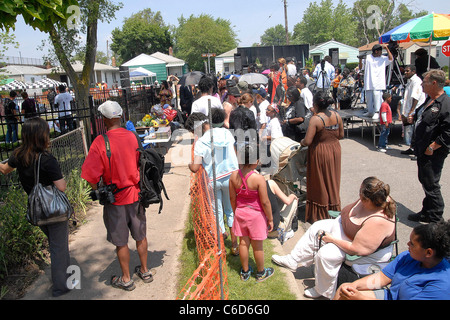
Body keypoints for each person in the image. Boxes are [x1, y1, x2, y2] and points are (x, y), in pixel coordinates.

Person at [272, 176, 397, 299]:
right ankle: (293, 260)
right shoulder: (377, 196)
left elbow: (356, 249)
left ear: (367, 200)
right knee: (317, 226)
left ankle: (323, 291)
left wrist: (332, 239)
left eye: (360, 194)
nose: (358, 195)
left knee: (326, 255)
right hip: (344, 231)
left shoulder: (378, 221)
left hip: (355, 249)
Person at [81, 101, 152, 291]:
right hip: (136, 195)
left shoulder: (100, 142)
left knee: (121, 241)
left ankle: (126, 278)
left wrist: (99, 188)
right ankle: (145, 271)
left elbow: (89, 175)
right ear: (120, 116)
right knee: (140, 235)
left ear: (103, 120)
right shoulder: (133, 137)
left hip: (116, 199)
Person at [0, 117, 71, 297]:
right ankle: (61, 286)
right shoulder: (47, 159)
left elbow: (4, 169)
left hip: (36, 210)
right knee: (59, 247)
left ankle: (65, 275)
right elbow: (61, 186)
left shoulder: (18, 156)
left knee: (55, 244)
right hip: (54, 210)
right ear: (42, 136)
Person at [334, 220, 450, 300]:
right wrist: (354, 286)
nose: (407, 244)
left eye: (413, 244)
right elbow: (383, 278)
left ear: (428, 252)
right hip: (389, 296)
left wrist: (361, 298)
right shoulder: (408, 257)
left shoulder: (442, 285)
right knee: (343, 290)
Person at [189, 108, 239, 255]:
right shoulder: (228, 134)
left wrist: (190, 165)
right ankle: (235, 245)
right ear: (223, 119)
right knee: (230, 210)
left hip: (213, 180)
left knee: (216, 210)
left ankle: (220, 243)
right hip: (231, 177)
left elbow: (195, 167)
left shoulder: (202, 140)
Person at [408, 69, 450, 224]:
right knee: (425, 180)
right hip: (422, 149)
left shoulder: (445, 103)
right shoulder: (429, 99)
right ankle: (427, 212)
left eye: (424, 81)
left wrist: (433, 146)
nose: (422, 84)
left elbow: (448, 131)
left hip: (433, 152)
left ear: (434, 83)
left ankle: (436, 219)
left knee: (431, 184)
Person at [229, 144, 274, 282]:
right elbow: (265, 202)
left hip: (240, 213)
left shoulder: (233, 176)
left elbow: (232, 198)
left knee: (243, 243)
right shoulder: (259, 179)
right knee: (257, 246)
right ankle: (261, 273)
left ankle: (245, 271)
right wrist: (270, 219)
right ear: (255, 161)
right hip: (256, 215)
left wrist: (236, 211)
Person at [300, 91, 344, 223]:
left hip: (320, 152)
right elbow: (341, 135)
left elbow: (307, 141)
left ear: (316, 104)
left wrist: (300, 142)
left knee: (320, 182)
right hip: (334, 150)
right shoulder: (337, 116)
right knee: (333, 180)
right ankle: (334, 210)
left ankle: (321, 214)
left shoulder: (316, 119)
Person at [361, 44, 393, 120]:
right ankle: (370, 111)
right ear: (376, 51)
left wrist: (387, 49)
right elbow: (361, 66)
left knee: (377, 96)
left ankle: (377, 112)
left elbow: (391, 59)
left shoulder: (383, 58)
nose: (381, 53)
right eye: (380, 51)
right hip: (369, 81)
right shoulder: (368, 57)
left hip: (378, 81)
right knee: (369, 97)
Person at [400, 65, 426, 155]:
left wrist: (411, 111)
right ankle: (412, 148)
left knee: (417, 130)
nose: (405, 72)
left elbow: (416, 97)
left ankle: (417, 151)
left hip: (417, 108)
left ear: (413, 71)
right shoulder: (410, 81)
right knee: (412, 130)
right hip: (412, 109)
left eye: (407, 71)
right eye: (405, 71)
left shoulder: (416, 81)